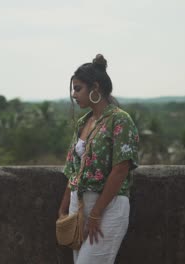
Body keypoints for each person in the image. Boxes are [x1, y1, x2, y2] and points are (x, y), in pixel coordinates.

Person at [58, 54, 139, 264]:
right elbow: (73, 169)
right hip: (80, 206)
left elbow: (120, 169)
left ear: (95, 88)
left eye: (78, 88)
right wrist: (64, 207)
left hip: (108, 207)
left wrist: (96, 214)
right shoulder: (83, 122)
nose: (74, 95)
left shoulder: (120, 120)